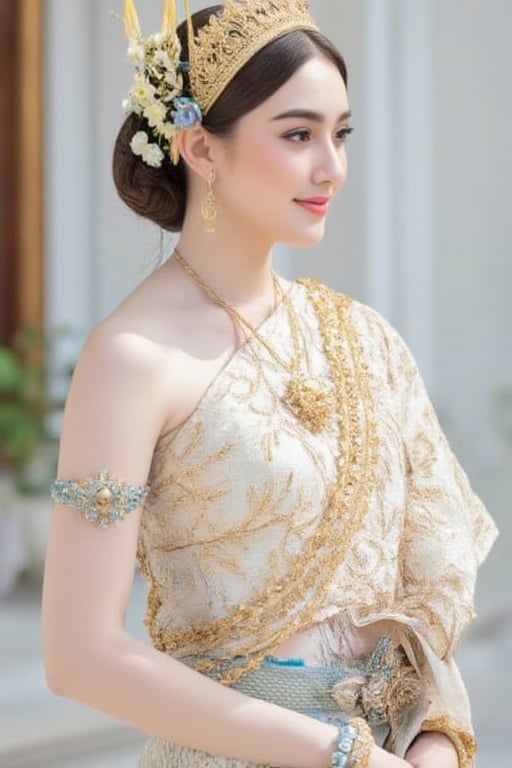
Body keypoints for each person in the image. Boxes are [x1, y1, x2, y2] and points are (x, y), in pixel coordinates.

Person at [42, 1, 498, 767]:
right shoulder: (131, 357)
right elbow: (78, 654)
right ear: (200, 148)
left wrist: (432, 747)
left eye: (340, 133)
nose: (332, 166)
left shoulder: (365, 339)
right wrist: (339, 755)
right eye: (297, 134)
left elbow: (432, 592)